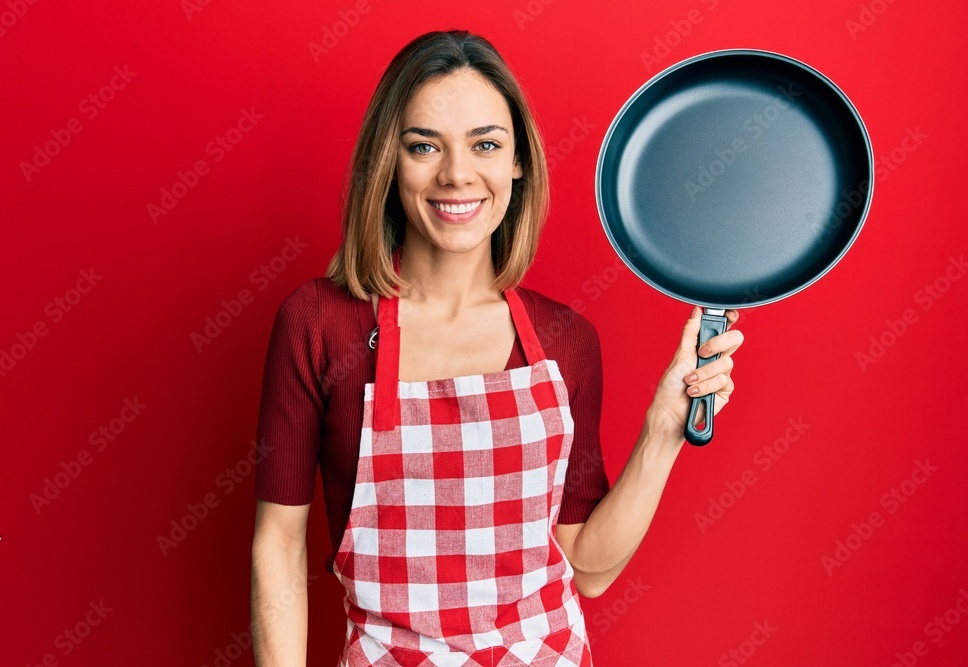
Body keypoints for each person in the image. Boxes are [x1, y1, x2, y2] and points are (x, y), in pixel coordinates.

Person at [250, 30, 743, 667]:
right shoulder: (321, 323)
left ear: (517, 162)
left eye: (486, 144)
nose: (457, 174)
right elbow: (278, 548)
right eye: (424, 146)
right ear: (388, 162)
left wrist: (664, 428)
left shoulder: (566, 342)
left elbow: (586, 566)